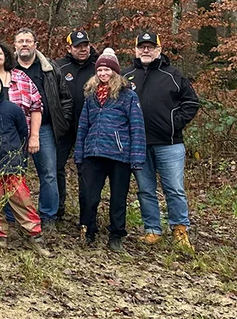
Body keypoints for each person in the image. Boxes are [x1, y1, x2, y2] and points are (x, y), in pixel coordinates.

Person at [123, 31, 200, 251]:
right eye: (141, 47)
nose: (145, 50)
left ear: (159, 49)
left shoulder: (173, 75)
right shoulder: (126, 76)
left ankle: (180, 229)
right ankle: (152, 230)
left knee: (174, 188)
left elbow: (191, 103)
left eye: (150, 47)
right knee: (145, 189)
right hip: (138, 144)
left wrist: (174, 123)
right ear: (135, 50)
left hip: (170, 143)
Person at [75, 49, 147, 253]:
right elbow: (83, 127)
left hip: (119, 155)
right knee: (89, 196)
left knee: (118, 198)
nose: (103, 73)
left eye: (107, 70)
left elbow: (137, 127)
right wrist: (79, 155)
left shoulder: (128, 96)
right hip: (93, 154)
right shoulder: (91, 97)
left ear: (115, 72)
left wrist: (137, 158)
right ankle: (87, 229)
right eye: (100, 70)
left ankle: (116, 235)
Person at [0, 71, 51, 256]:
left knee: (21, 200)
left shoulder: (13, 109)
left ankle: (34, 235)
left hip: (12, 162)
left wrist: (19, 157)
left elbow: (23, 132)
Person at [12, 28, 72, 230]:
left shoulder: (49, 68)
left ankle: (48, 216)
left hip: (45, 128)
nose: (24, 44)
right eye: (20, 41)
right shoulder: (8, 68)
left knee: (48, 174)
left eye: (28, 40)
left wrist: (62, 122)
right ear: (15, 46)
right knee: (11, 173)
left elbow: (65, 98)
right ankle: (12, 216)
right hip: (14, 131)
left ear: (35, 45)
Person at [55, 30, 97, 223]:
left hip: (89, 129)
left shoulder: (99, 67)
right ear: (69, 48)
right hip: (63, 128)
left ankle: (87, 217)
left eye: (85, 45)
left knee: (87, 172)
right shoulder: (59, 67)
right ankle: (57, 209)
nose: (82, 49)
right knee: (55, 168)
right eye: (78, 46)